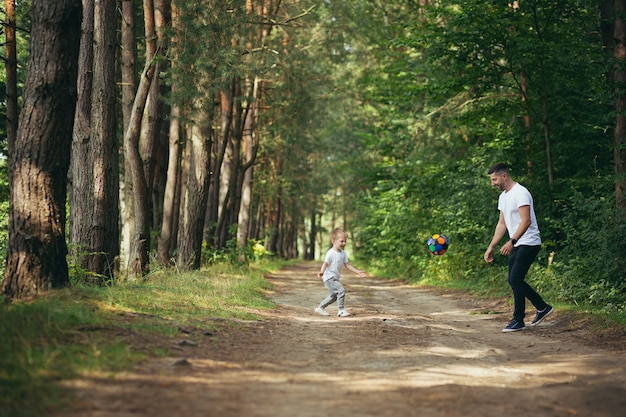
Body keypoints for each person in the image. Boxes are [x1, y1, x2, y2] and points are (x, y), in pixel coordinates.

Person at [484, 162, 553, 332]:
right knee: (514, 280)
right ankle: (542, 307)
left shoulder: (521, 193)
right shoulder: (504, 197)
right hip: (518, 243)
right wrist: (491, 246)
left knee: (515, 279)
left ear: (504, 176)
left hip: (529, 242)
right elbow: (502, 224)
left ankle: (518, 319)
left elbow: (526, 220)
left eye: (494, 179)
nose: (493, 183)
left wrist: (512, 241)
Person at [315, 228, 367, 317]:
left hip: (335, 277)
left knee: (334, 295)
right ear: (333, 241)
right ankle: (341, 310)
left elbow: (347, 265)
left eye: (345, 241)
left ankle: (320, 307)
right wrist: (321, 272)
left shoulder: (343, 253)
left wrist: (357, 271)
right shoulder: (330, 253)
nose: (344, 243)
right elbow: (325, 263)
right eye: (341, 241)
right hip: (329, 277)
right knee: (341, 290)